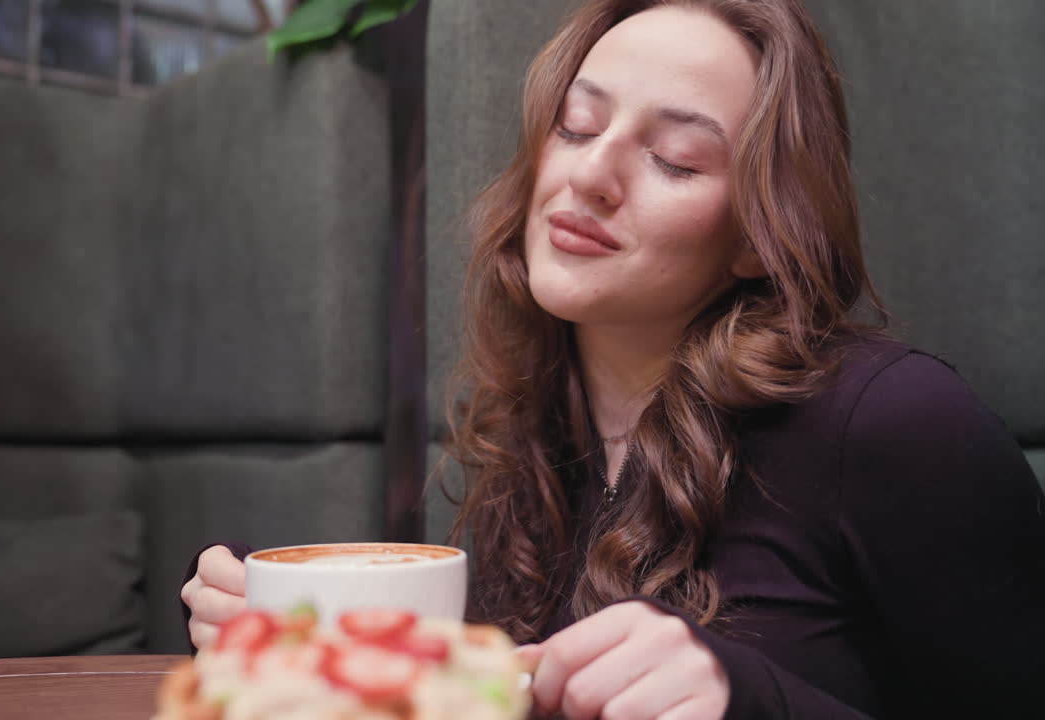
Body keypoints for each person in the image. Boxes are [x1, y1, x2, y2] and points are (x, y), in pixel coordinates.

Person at [181, 0, 1045, 717]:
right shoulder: (538, 426)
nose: (591, 172)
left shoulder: (898, 420)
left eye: (675, 160)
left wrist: (751, 702)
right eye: (576, 125)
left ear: (755, 233)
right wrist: (293, 631)